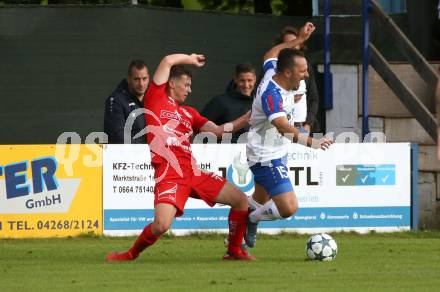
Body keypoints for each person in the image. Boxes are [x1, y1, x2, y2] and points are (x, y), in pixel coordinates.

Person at [106, 53, 254, 261]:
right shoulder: (155, 98)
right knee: (161, 225)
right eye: (187, 84)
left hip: (193, 172)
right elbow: (167, 60)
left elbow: (219, 131)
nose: (190, 89)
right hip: (170, 174)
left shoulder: (189, 113)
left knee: (240, 200)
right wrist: (190, 59)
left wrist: (247, 118)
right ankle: (130, 254)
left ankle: (234, 251)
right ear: (172, 84)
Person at [245, 22, 333, 248]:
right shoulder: (271, 95)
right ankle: (250, 220)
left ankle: (236, 242)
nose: (306, 76)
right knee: (288, 207)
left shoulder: (274, 70)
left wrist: (298, 40)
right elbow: (283, 127)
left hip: (276, 150)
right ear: (287, 72)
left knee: (258, 200)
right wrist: (313, 142)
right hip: (265, 155)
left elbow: (271, 53)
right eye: (302, 72)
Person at [275, 26, 320, 135]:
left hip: (303, 127)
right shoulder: (272, 68)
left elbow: (314, 98)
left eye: (295, 44)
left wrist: (308, 125)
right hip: (280, 129)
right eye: (288, 44)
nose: (292, 47)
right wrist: (289, 98)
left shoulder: (307, 66)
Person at [201, 63, 257, 143]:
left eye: (249, 80)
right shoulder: (220, 102)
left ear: (255, 79)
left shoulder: (260, 103)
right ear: (235, 79)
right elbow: (200, 128)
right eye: (242, 80)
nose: (246, 85)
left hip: (255, 152)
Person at [104, 60, 149, 144]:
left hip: (150, 154)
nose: (141, 84)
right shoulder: (115, 100)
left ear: (149, 78)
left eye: (144, 79)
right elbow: (117, 136)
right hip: (124, 155)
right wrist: (146, 147)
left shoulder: (153, 98)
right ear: (128, 79)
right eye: (136, 79)